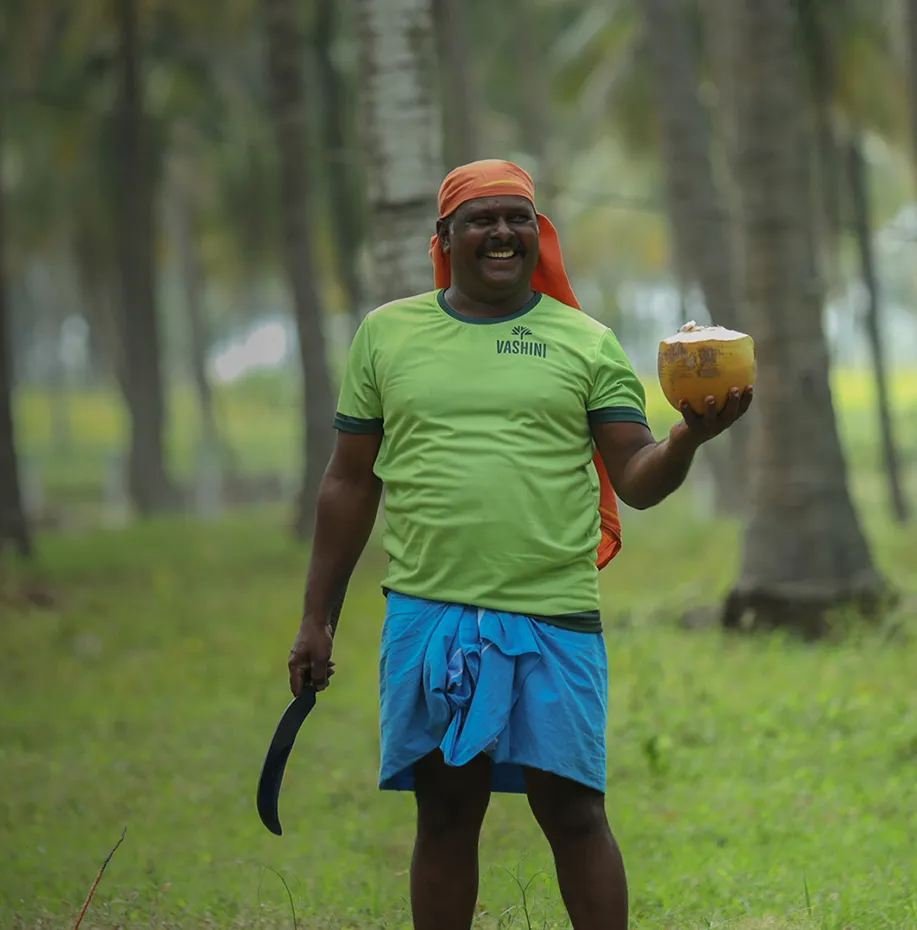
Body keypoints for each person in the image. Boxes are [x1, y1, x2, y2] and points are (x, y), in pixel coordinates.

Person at [287, 159, 751, 930]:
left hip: (551, 616)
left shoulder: (583, 342)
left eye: (518, 218)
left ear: (538, 235)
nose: (501, 232)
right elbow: (347, 484)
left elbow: (634, 478)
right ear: (446, 237)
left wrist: (685, 441)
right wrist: (316, 618)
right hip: (428, 616)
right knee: (443, 813)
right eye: (481, 218)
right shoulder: (387, 335)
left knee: (573, 812)